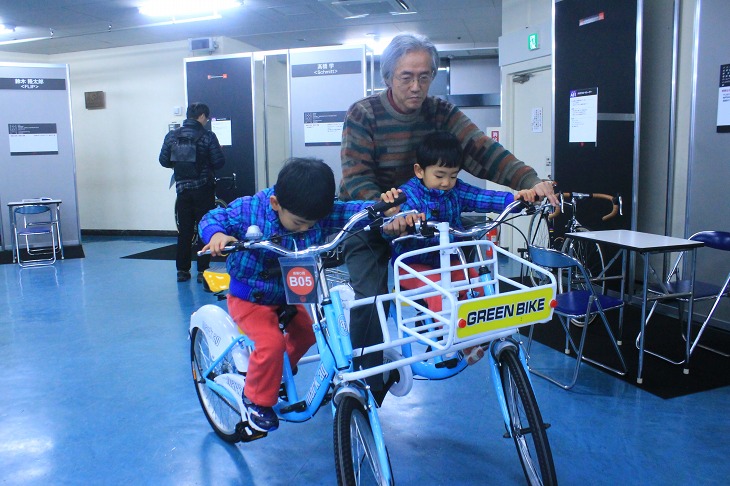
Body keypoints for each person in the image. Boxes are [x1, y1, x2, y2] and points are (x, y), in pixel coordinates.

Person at [339, 33, 558, 397]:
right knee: (371, 295)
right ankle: (365, 385)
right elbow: (356, 175)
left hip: (429, 222)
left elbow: (481, 149)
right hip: (375, 218)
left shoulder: (440, 112)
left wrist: (530, 181)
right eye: (406, 76)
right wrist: (388, 210)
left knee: (469, 275)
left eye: (425, 76)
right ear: (388, 76)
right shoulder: (364, 114)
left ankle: (453, 338)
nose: (416, 85)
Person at [199, 157, 401, 433]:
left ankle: (276, 373)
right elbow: (212, 218)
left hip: (290, 293)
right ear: (276, 204)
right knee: (270, 344)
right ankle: (256, 399)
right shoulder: (250, 209)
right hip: (251, 296)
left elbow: (348, 212)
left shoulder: (315, 213)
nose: (307, 229)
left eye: (313, 224)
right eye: (300, 223)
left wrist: (381, 209)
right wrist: (218, 235)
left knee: (308, 333)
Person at [388, 130, 536, 364]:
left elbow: (484, 197)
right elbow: (394, 219)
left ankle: (481, 331)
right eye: (439, 175)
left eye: (453, 176)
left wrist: (518, 200)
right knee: (441, 291)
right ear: (419, 171)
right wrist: (406, 221)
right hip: (413, 265)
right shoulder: (408, 195)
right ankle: (455, 340)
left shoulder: (456, 191)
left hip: (448, 258)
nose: (447, 183)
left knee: (475, 283)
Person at [159, 102, 225, 283]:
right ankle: (203, 270)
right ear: (202, 116)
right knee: (204, 228)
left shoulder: (172, 136)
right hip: (203, 189)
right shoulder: (208, 136)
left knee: (185, 230)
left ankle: (182, 270)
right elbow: (219, 163)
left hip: (182, 189)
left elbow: (163, 161)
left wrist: (179, 163)